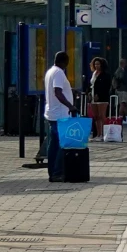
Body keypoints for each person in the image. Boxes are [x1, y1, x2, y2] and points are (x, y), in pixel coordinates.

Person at [43, 52, 75, 181]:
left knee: (54, 144)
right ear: (65, 62)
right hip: (60, 114)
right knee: (63, 143)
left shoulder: (50, 71)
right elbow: (57, 92)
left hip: (52, 113)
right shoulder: (59, 73)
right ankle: (57, 172)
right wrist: (70, 106)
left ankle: (52, 172)